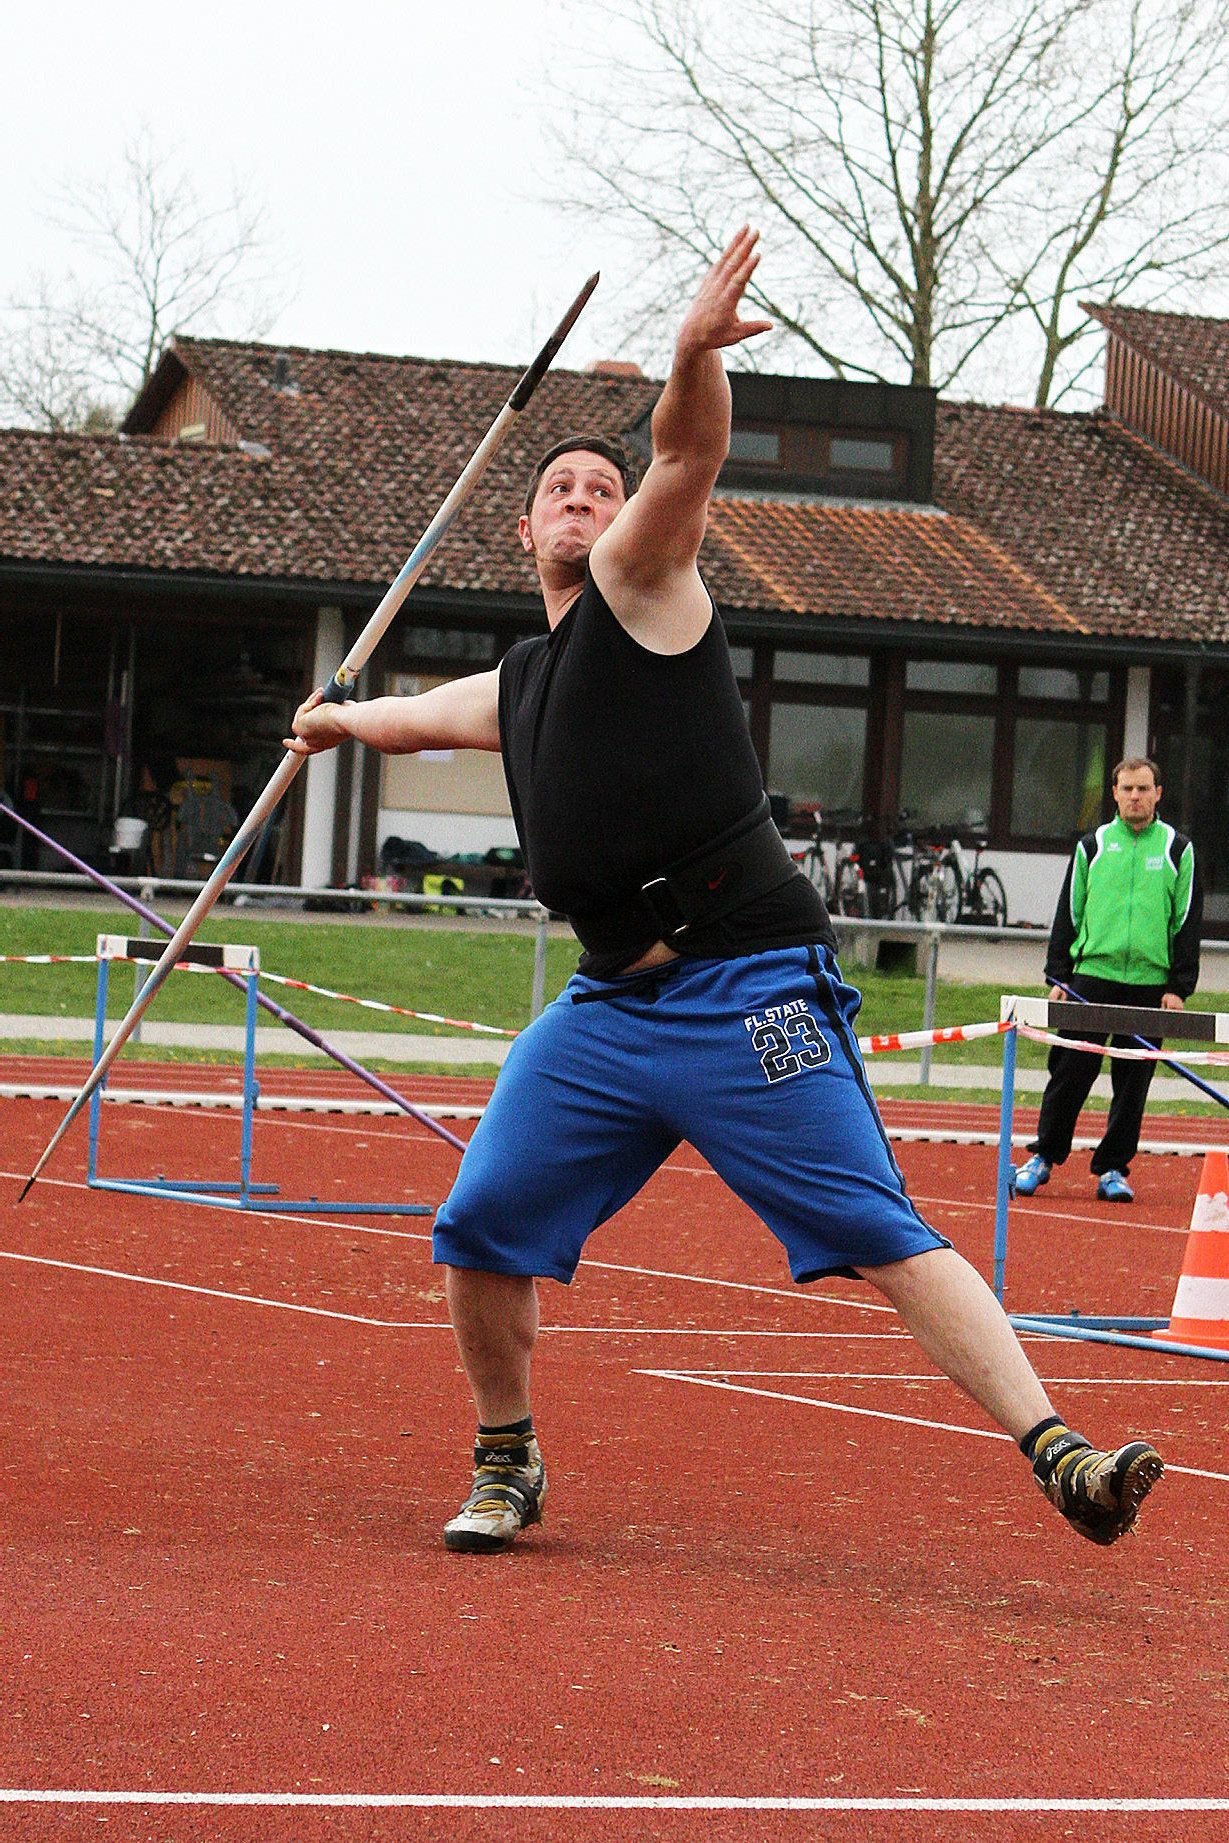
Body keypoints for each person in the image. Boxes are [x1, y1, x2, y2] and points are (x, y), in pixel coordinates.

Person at [288, 228, 1163, 1556]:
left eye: (601, 480)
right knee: (476, 1223)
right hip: (605, 1016)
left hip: (747, 989)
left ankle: (1064, 1452)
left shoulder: (644, 584)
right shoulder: (523, 679)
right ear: (523, 526)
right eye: (561, 488)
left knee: (874, 1222)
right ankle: (507, 1455)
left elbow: (688, 454)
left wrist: (692, 358)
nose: (586, 495)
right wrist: (336, 724)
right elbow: (416, 716)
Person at [1014, 757, 1201, 1204]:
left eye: (1143, 788)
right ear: (1114, 793)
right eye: (1126, 789)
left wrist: (1178, 986)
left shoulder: (1178, 849)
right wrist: (1058, 974)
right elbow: (1069, 911)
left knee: (1133, 1082)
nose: (1134, 796)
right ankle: (1043, 1157)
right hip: (1090, 979)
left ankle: (1114, 1168)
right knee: (1069, 1074)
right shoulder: (1092, 846)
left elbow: (1186, 922)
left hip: (1150, 985)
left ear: (1158, 792)